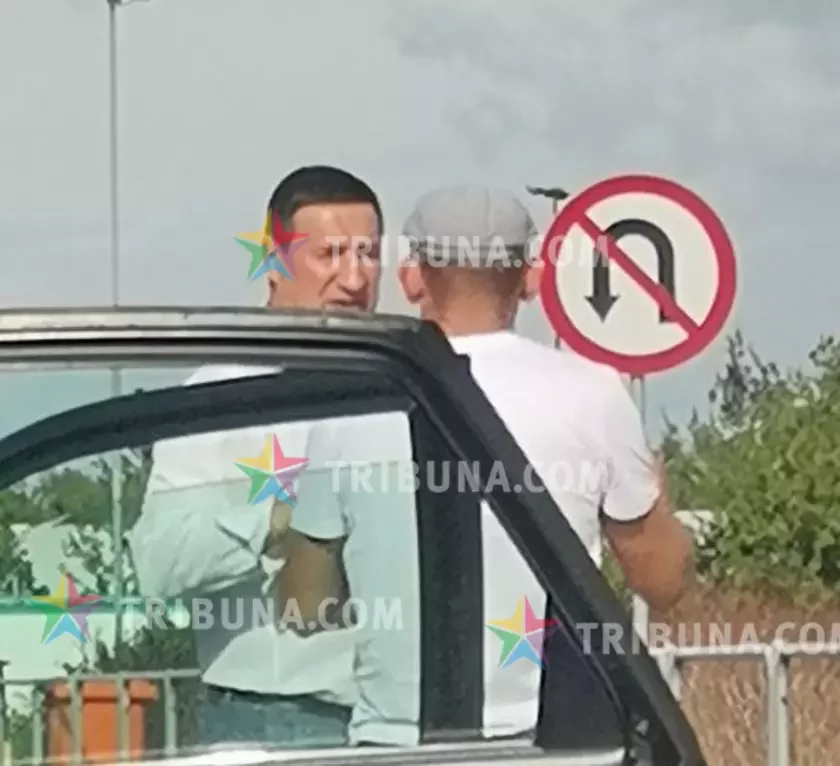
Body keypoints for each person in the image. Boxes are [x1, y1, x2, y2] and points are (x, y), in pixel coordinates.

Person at [277, 184, 694, 746]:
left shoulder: (357, 398)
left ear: (412, 278)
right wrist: (658, 498)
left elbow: (303, 608)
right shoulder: (594, 394)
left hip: (394, 745)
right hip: (550, 742)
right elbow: (664, 583)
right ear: (531, 280)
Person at [125, 165, 383, 749]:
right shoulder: (217, 398)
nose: (353, 278)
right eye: (330, 254)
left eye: (367, 254)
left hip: (409, 720)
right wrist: (275, 525)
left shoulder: (409, 393)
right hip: (275, 720)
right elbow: (158, 564)